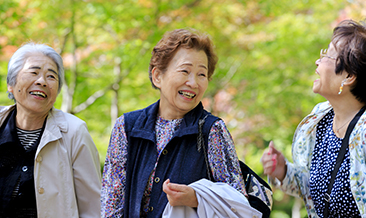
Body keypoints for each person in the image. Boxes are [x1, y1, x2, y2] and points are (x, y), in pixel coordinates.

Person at [101, 28, 248, 217]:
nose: (193, 83)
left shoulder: (212, 131)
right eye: (185, 71)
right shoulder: (127, 127)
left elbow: (239, 204)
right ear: (157, 76)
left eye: (201, 74)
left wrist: (196, 197)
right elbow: (111, 204)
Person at [261, 19, 366, 217]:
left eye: (327, 54)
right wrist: (283, 171)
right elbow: (315, 190)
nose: (318, 61)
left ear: (349, 76)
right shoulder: (320, 121)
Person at [0, 42, 101, 218]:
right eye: (33, 72)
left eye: (51, 77)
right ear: (11, 83)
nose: (42, 81)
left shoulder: (74, 132)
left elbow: (93, 208)